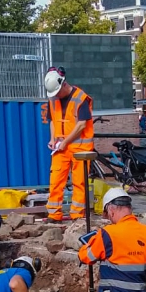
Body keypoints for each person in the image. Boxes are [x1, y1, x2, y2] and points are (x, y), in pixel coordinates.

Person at [43, 66, 94, 223]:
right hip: (61, 147)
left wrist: (65, 142)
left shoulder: (81, 98)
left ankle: (77, 215)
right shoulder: (53, 99)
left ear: (64, 84)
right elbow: (52, 120)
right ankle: (54, 214)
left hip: (80, 148)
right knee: (56, 180)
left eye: (57, 93)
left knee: (79, 182)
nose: (56, 96)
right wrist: (53, 139)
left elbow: (81, 125)